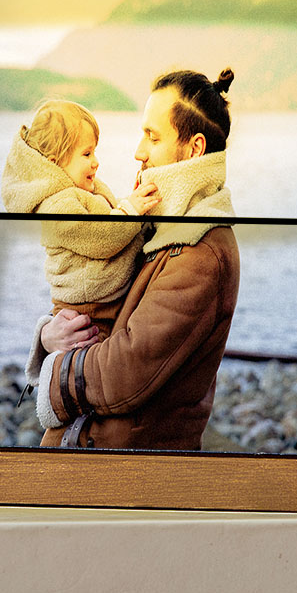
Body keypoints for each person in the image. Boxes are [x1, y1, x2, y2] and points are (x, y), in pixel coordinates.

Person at [31, 68, 241, 450]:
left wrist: (52, 372)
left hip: (125, 471)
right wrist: (50, 334)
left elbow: (125, 372)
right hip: (93, 456)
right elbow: (99, 297)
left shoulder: (201, 251)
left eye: (153, 137)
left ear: (194, 149)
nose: (138, 152)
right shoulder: (162, 226)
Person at [0, 100, 161, 342]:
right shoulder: (57, 207)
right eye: (86, 154)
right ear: (54, 163)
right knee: (94, 354)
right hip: (87, 312)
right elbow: (101, 238)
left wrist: (134, 205)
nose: (96, 161)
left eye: (94, 151)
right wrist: (131, 210)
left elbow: (108, 214)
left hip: (104, 301)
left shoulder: (84, 189)